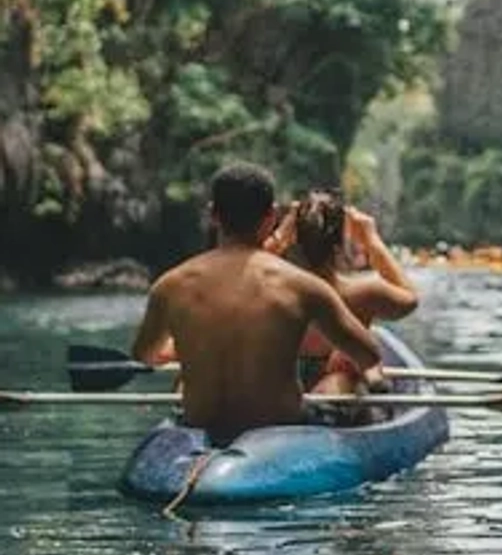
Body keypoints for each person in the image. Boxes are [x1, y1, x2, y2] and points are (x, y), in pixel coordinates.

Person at [130, 162, 387, 446]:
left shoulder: (170, 286)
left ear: (213, 214)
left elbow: (144, 355)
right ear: (271, 218)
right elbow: (368, 355)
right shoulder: (303, 286)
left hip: (199, 423)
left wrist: (189, 347)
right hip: (280, 425)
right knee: (354, 392)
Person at [267, 190, 418, 397]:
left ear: (293, 239)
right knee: (345, 373)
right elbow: (410, 299)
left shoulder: (270, 291)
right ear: (340, 244)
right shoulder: (365, 292)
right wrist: (371, 239)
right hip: (338, 393)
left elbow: (244, 273)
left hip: (282, 388)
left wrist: (280, 238)